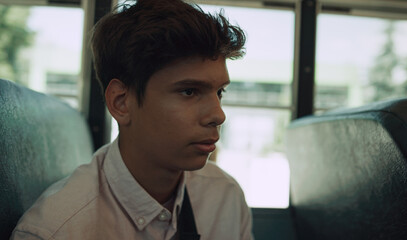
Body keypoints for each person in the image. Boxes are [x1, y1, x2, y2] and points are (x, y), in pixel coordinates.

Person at [10, 0, 253, 239]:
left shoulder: (226, 197)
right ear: (121, 102)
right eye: (189, 91)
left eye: (219, 92)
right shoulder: (55, 230)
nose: (218, 115)